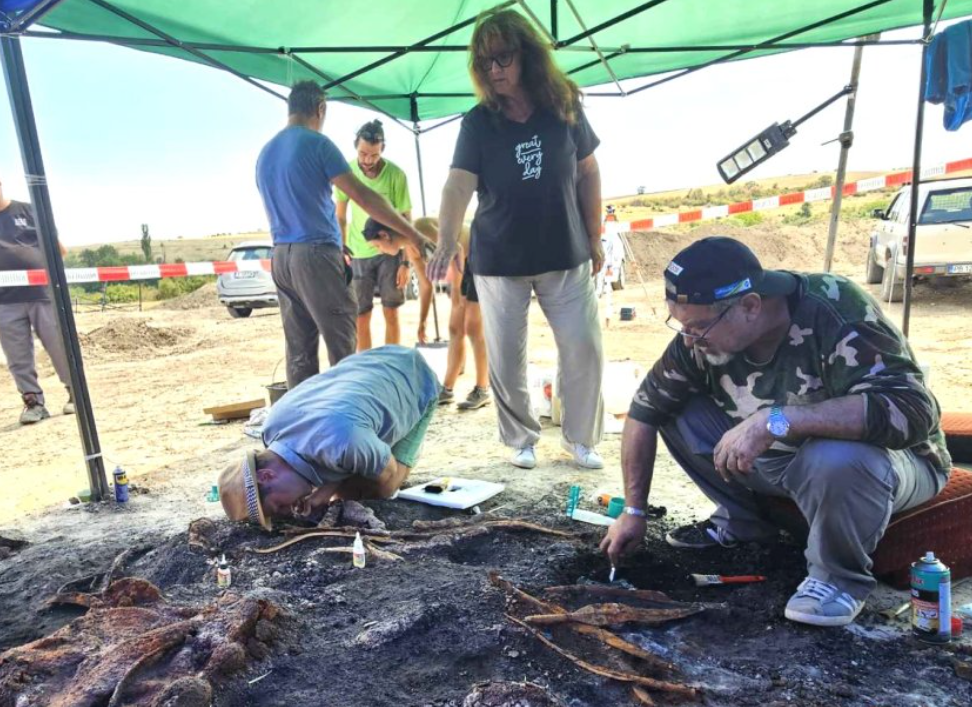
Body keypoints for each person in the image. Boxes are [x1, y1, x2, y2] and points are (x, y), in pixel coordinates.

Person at [600, 236, 951, 627]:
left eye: (698, 326)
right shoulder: (700, 338)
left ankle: (837, 580)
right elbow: (644, 411)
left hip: (894, 463)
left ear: (750, 306)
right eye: (681, 325)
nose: (689, 340)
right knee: (675, 408)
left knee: (834, 456)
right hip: (784, 461)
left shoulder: (836, 310)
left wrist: (778, 420)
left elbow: (914, 411)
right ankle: (745, 523)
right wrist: (634, 510)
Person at [426, 8, 605, 470]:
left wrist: (596, 236)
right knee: (506, 357)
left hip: (566, 253)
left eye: (501, 58)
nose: (493, 70)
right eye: (484, 63)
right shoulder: (478, 123)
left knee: (584, 345)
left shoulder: (563, 105)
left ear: (526, 55)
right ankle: (521, 438)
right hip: (499, 259)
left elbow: (588, 172)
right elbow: (457, 185)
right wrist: (446, 240)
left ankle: (581, 438)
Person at [255, 81, 427, 389]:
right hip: (316, 256)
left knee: (299, 352)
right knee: (343, 345)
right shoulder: (318, 144)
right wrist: (411, 233)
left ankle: (304, 427)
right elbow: (363, 196)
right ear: (320, 109)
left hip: (280, 256)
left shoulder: (266, 152)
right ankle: (347, 426)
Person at [218, 345, 439, 529]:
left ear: (266, 476)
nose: (286, 512)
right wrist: (322, 494)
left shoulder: (346, 442)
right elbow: (328, 449)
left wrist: (336, 490)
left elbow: (387, 471)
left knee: (380, 488)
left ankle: (399, 433)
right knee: (349, 474)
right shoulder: (272, 429)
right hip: (367, 364)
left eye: (279, 507)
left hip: (415, 378)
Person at [366, 216, 491, 410]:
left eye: (377, 246)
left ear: (384, 235)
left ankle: (482, 388)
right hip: (462, 265)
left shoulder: (420, 228)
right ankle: (447, 389)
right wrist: (422, 321)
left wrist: (457, 292)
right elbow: (425, 285)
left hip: (478, 251)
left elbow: (455, 249)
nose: (378, 251)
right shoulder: (410, 248)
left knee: (473, 327)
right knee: (455, 328)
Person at [334, 120, 420, 351]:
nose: (367, 160)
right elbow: (340, 217)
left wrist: (405, 262)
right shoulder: (346, 173)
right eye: (363, 153)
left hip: (390, 254)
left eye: (374, 155)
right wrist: (341, 251)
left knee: (391, 311)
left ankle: (390, 364)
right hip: (358, 254)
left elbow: (405, 220)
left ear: (382, 150)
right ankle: (368, 368)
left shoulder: (396, 175)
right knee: (361, 315)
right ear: (356, 148)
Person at [0, 178, 74, 424]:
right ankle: (34, 403)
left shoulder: (29, 211)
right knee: (17, 356)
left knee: (59, 345)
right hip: (5, 302)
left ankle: (75, 394)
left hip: (43, 295)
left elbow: (59, 250)